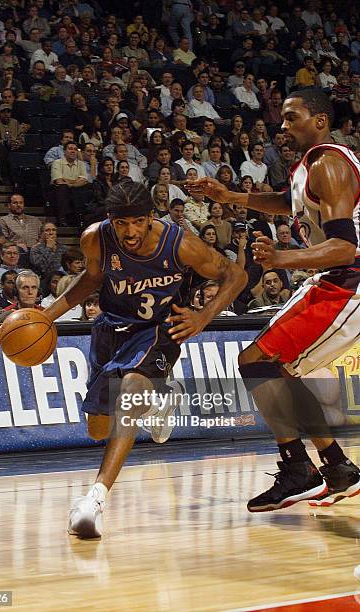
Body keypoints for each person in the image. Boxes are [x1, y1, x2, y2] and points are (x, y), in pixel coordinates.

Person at [41, 181, 246, 538]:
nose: (130, 231)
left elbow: (236, 275)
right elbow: (91, 279)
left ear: (151, 218)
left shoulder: (181, 243)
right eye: (122, 224)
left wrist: (203, 317)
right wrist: (48, 315)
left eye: (138, 222)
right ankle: (160, 402)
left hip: (156, 329)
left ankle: (95, 499)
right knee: (97, 430)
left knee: (132, 385)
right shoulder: (95, 239)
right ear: (110, 220)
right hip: (110, 329)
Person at [188, 88, 360, 512]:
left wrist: (283, 257)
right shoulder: (311, 165)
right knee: (273, 367)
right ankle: (336, 469)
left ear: (320, 120)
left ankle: (300, 468)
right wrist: (230, 198)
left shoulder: (331, 164)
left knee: (261, 364)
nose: (282, 126)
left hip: (349, 280)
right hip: (331, 279)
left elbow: (344, 246)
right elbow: (289, 204)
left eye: (292, 117)